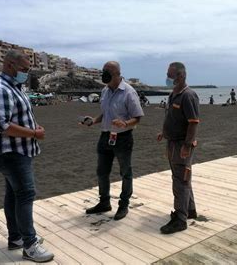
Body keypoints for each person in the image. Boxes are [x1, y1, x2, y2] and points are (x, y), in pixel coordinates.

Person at [0, 50, 53, 263]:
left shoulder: (15, 87)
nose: (26, 73)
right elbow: (2, 125)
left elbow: (18, 117)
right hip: (10, 153)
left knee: (13, 194)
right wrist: (33, 133)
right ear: (10, 65)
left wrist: (34, 126)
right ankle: (30, 245)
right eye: (24, 69)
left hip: (18, 151)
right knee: (25, 193)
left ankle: (16, 238)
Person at [83, 61, 144, 221]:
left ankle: (123, 205)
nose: (104, 74)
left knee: (125, 172)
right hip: (105, 136)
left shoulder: (129, 92)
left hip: (123, 138)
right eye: (103, 71)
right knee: (102, 172)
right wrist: (94, 120)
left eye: (108, 72)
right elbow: (105, 114)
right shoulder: (105, 90)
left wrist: (125, 123)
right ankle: (104, 203)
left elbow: (137, 117)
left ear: (117, 74)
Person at [157, 62, 199, 234]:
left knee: (180, 181)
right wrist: (164, 132)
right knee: (182, 177)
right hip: (172, 142)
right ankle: (190, 210)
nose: (167, 78)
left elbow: (193, 123)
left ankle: (180, 219)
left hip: (182, 144)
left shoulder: (188, 96)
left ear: (180, 76)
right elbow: (173, 118)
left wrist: (187, 145)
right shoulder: (173, 94)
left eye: (170, 75)